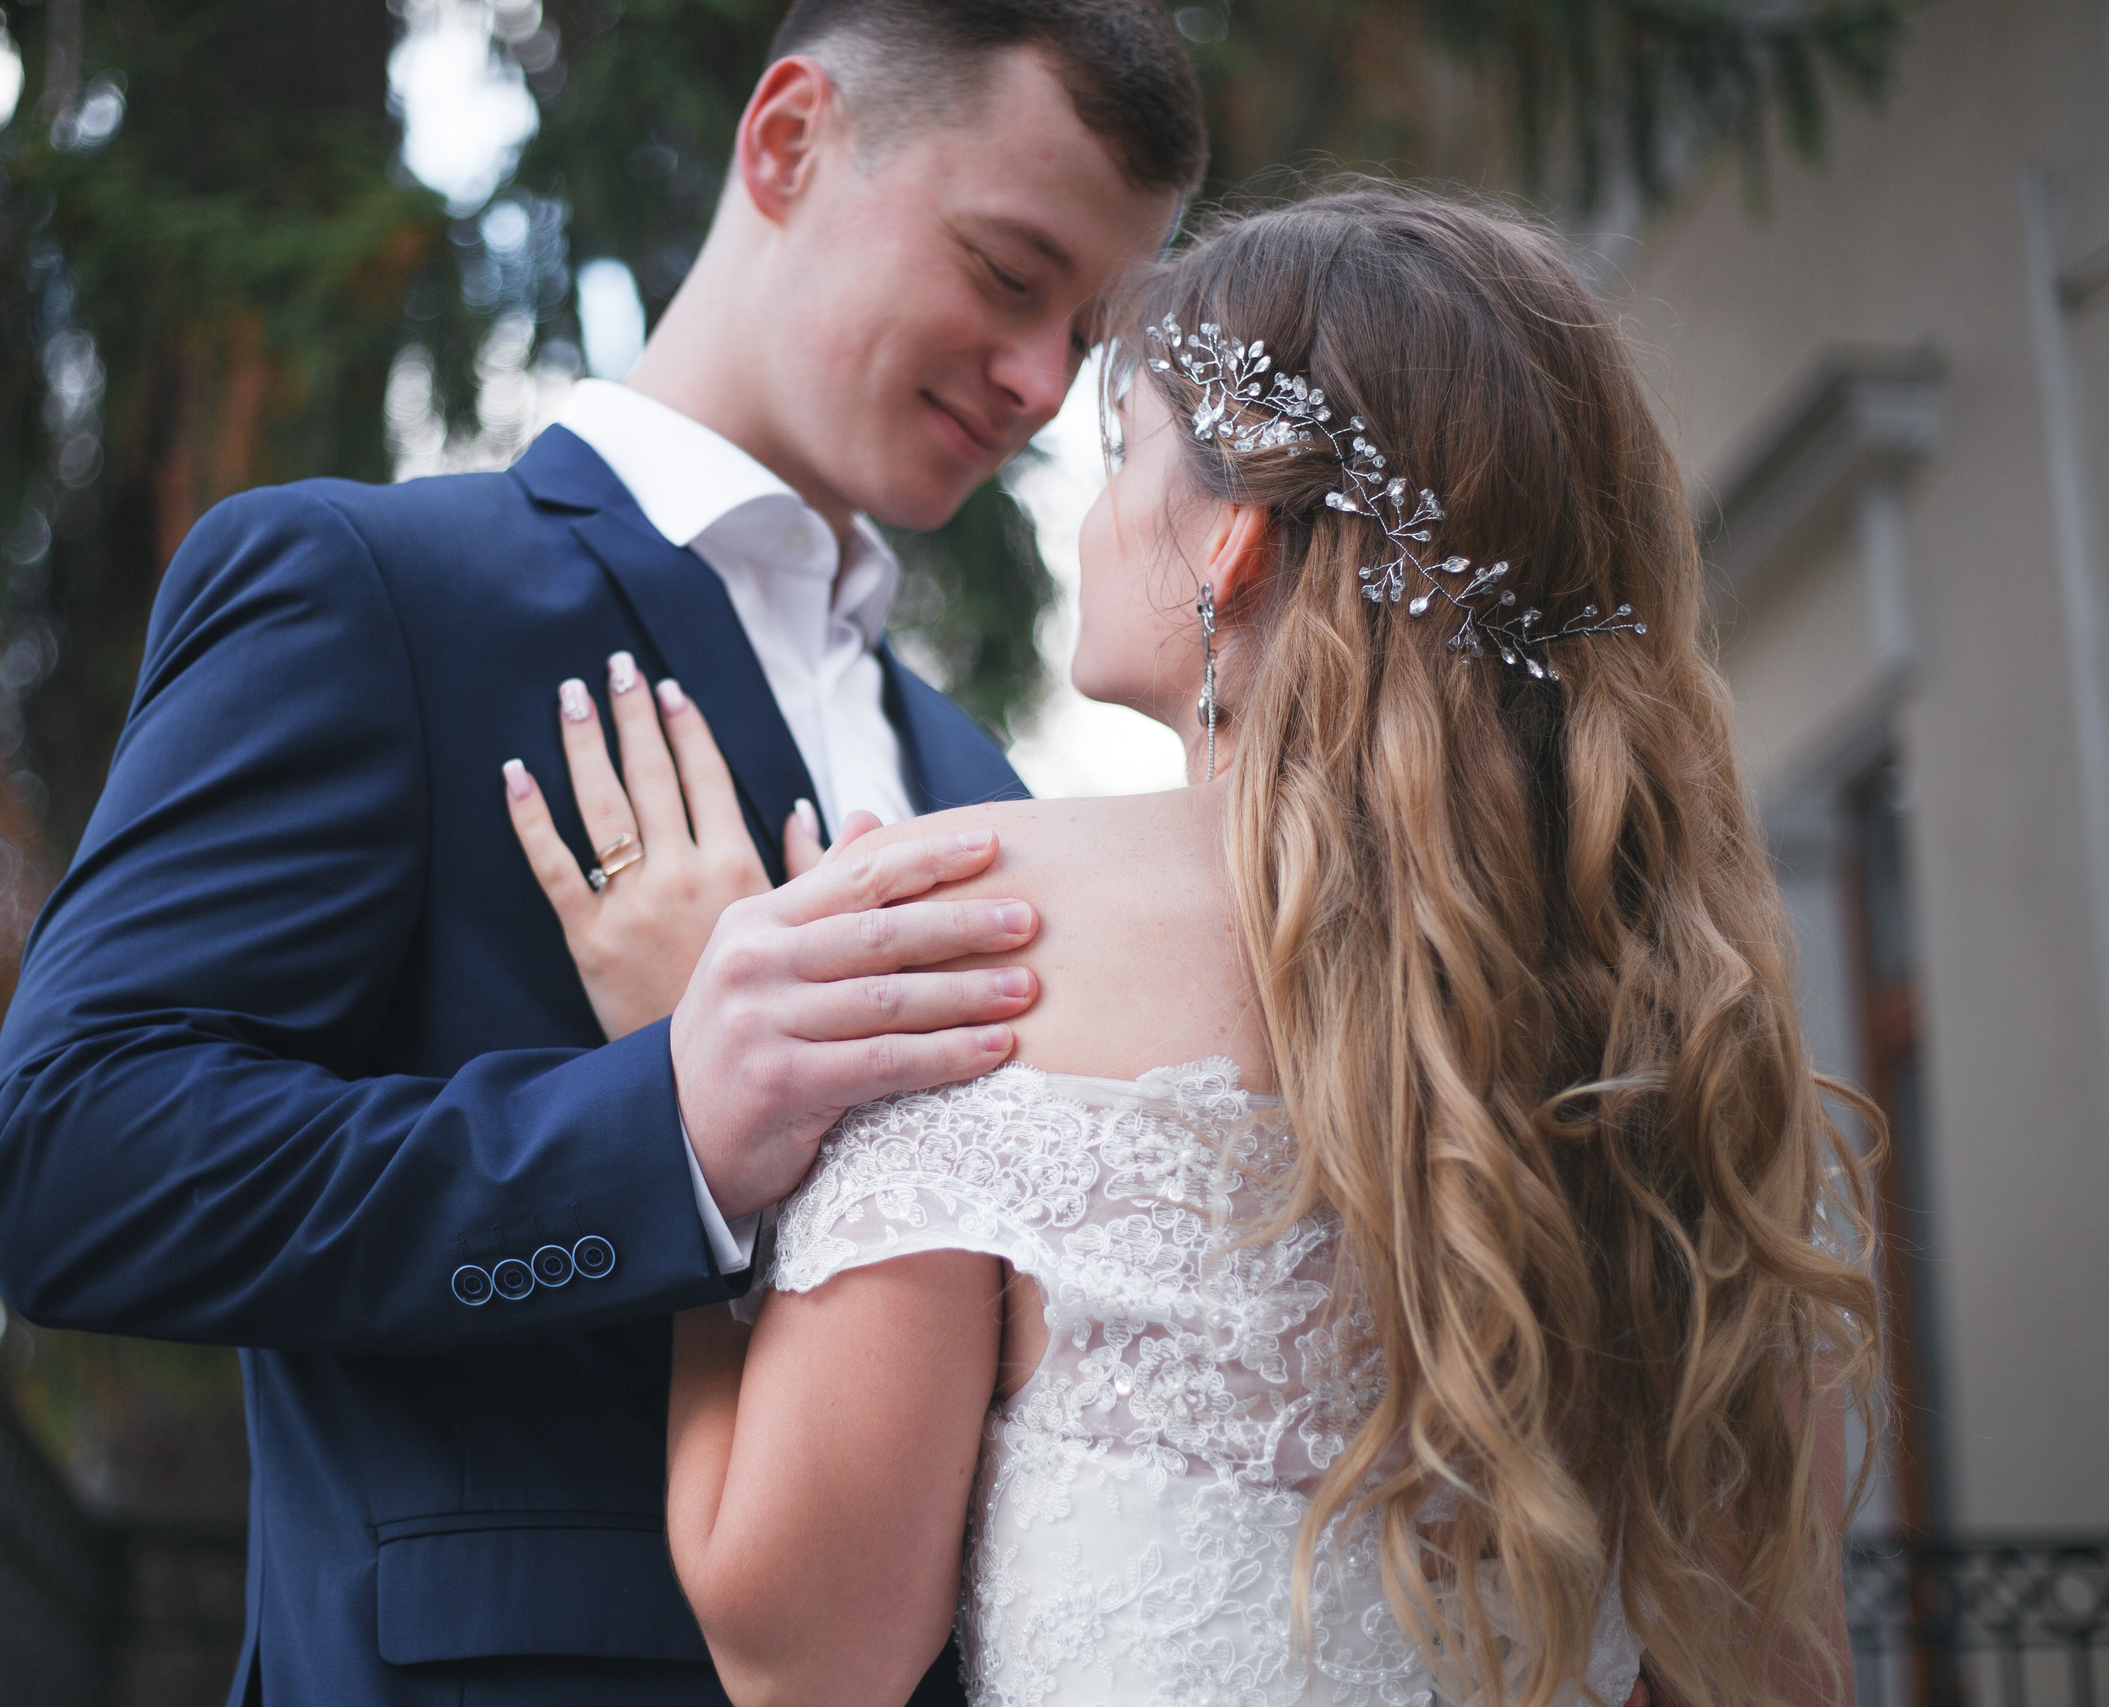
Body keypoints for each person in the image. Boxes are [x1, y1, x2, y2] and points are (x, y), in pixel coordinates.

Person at [0, 3, 1202, 1704]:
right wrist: (669, 1126)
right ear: (787, 141)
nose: (1045, 383)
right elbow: (72, 1161)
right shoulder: (371, 592)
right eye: (1006, 273)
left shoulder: (978, 775)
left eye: (1091, 334)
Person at [513, 187, 1881, 1707]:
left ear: (1232, 539)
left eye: (1121, 456)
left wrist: (685, 1077)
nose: (1094, 514)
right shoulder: (1700, 1043)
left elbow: (801, 1654)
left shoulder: (973, 918)